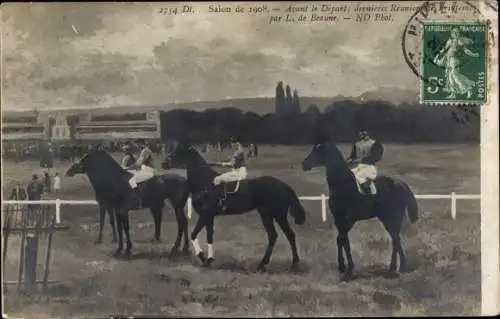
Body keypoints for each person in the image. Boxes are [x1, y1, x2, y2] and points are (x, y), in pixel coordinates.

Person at [433, 27, 480, 99]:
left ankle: (468, 89)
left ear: (457, 34)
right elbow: (444, 49)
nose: (453, 34)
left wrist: (473, 54)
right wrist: (438, 55)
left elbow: (466, 50)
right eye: (452, 33)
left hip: (454, 60)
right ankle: (453, 94)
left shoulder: (460, 42)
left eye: (455, 33)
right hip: (448, 60)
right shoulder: (450, 41)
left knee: (455, 75)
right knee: (450, 77)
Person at [346, 130, 384, 195]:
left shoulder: (374, 143)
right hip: (358, 167)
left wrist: (362, 160)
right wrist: (345, 162)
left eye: (362, 132)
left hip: (369, 167)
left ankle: (370, 194)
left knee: (358, 176)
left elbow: (377, 157)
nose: (360, 134)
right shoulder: (357, 144)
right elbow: (352, 156)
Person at [124, 139, 155, 208]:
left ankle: (137, 200)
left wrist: (126, 168)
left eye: (138, 144)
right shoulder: (144, 150)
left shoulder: (145, 151)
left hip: (148, 171)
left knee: (131, 179)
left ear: (141, 144)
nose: (137, 146)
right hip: (144, 169)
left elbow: (138, 164)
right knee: (128, 174)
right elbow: (138, 164)